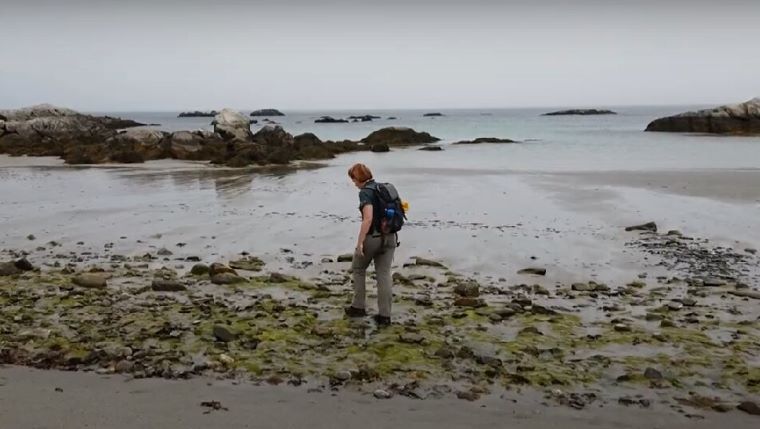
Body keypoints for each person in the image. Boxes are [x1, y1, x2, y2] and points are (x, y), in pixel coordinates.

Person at [344, 163, 397, 326]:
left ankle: (358, 307)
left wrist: (360, 242)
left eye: (353, 179)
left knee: (358, 269)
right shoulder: (385, 188)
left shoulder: (365, 192)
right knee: (384, 274)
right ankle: (385, 316)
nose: (353, 183)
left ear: (358, 178)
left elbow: (368, 218)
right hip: (391, 237)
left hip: (373, 237)